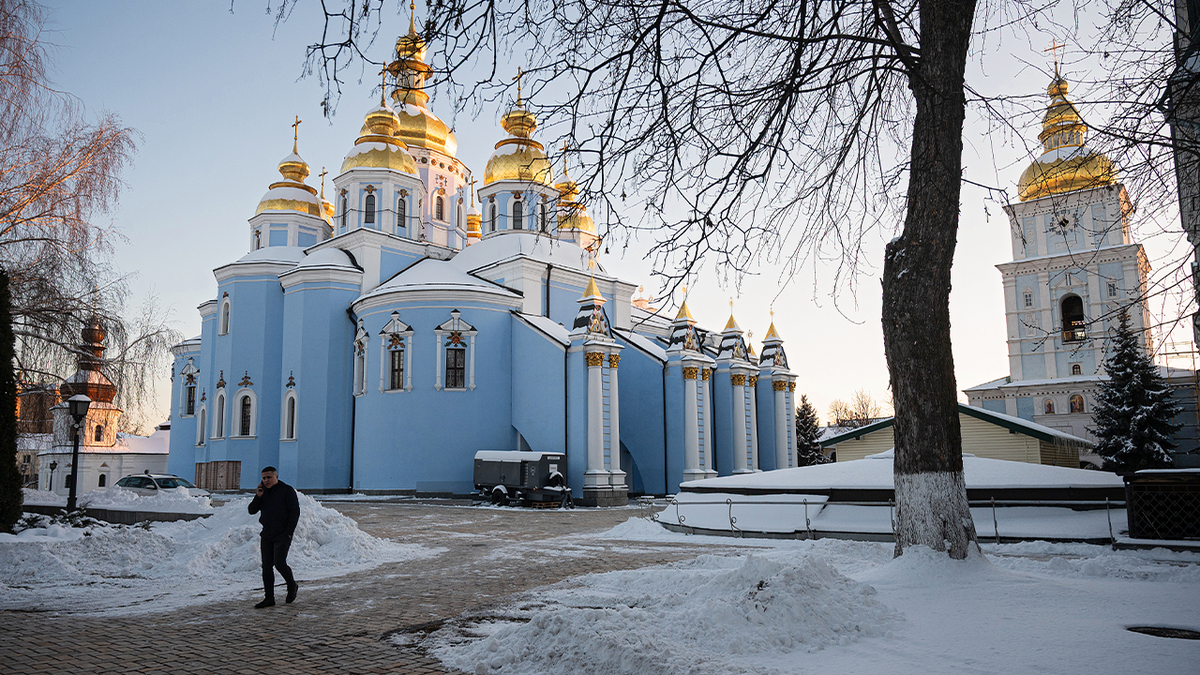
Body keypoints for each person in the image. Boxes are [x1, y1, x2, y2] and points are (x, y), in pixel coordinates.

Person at [247, 466, 300, 608]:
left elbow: (294, 512)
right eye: (264, 478)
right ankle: (269, 598)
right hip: (267, 534)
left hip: (282, 534)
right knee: (266, 567)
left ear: (276, 477)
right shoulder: (262, 492)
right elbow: (251, 510)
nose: (266, 480)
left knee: (279, 563)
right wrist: (258, 497)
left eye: (269, 477)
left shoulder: (287, 491)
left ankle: (292, 585)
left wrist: (289, 532)